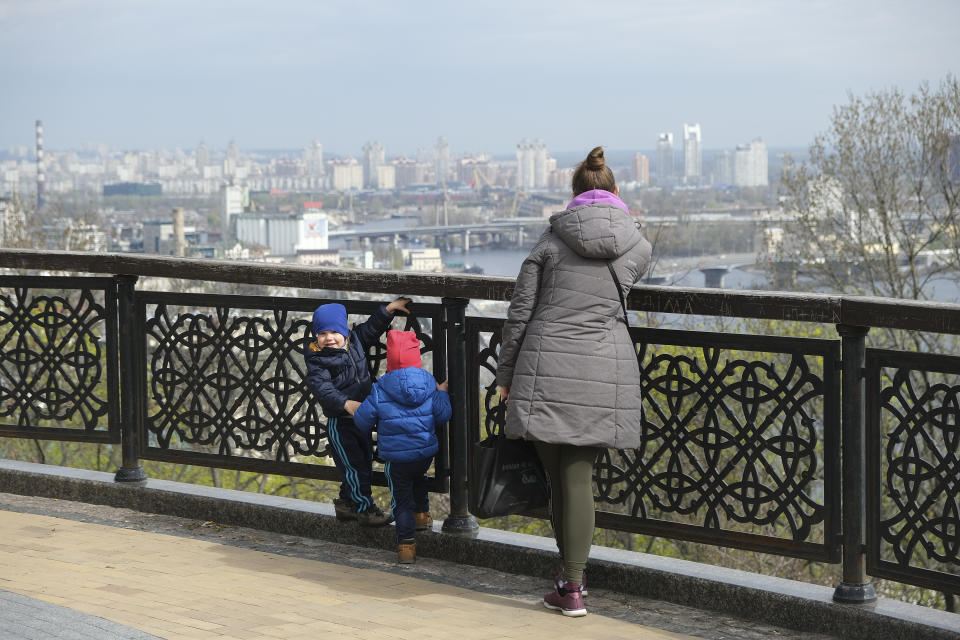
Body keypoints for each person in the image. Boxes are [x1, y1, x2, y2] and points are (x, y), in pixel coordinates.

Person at [496, 146, 652, 617]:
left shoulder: (549, 240)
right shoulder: (638, 245)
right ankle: (573, 584)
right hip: (604, 370)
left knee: (556, 475)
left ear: (574, 193)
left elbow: (520, 312)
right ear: (616, 192)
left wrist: (505, 374)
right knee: (577, 476)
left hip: (543, 369)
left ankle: (570, 582)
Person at [304, 297, 412, 527]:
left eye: (334, 331)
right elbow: (323, 389)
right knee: (354, 467)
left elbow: (372, 328)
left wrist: (388, 310)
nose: (329, 338)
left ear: (344, 332)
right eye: (322, 333)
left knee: (361, 463)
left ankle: (346, 504)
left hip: (361, 419)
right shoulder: (318, 361)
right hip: (340, 423)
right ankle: (365, 509)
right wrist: (346, 404)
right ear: (316, 336)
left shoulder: (355, 342)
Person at [354, 330, 451, 564]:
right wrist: (442, 395)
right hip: (424, 454)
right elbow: (442, 415)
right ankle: (422, 515)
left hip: (397, 459)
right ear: (416, 360)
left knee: (401, 500)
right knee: (419, 479)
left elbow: (362, 421)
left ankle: (406, 545)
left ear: (390, 362)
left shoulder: (380, 389)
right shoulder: (429, 384)